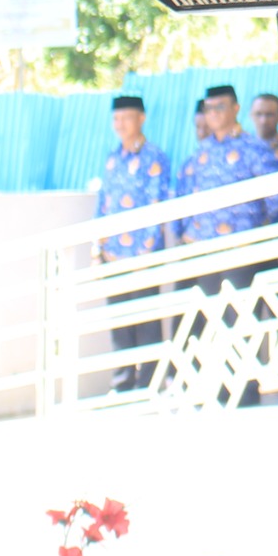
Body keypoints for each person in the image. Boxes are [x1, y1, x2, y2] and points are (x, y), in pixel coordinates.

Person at [95, 93, 170, 392]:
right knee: (120, 320)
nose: (120, 124)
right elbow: (104, 203)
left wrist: (146, 252)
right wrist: (97, 245)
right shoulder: (113, 158)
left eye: (126, 117)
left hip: (143, 253)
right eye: (116, 118)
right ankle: (123, 383)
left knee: (146, 319)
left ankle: (149, 383)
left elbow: (157, 205)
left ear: (141, 118)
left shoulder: (154, 157)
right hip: (113, 253)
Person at [177, 85, 278, 241]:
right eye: (208, 108)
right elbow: (185, 198)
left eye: (220, 106)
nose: (213, 112)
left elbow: (276, 200)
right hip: (204, 249)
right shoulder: (199, 154)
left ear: (236, 108)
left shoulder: (255, 148)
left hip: (245, 249)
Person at [250, 92, 278, 170]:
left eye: (269, 114)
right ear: (251, 115)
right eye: (258, 114)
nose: (263, 121)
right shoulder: (242, 149)